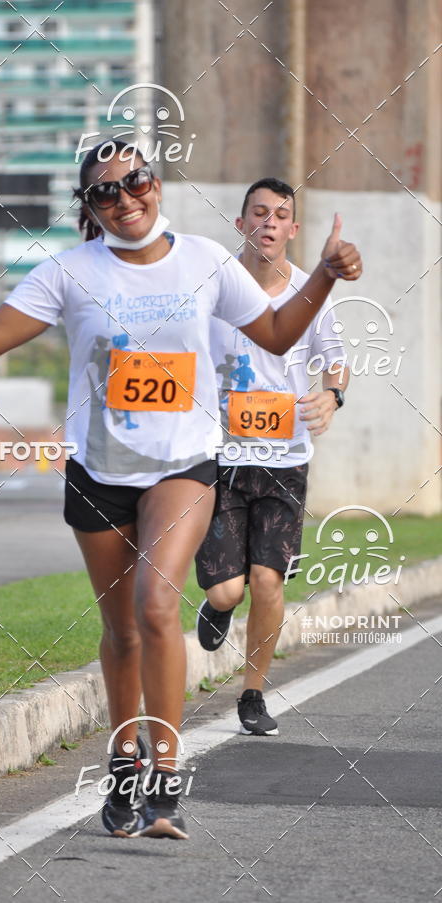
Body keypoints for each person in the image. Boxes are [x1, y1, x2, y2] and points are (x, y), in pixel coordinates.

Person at [0, 141, 361, 840]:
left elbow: (279, 332)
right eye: (105, 191)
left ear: (155, 184)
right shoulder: (69, 272)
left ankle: (165, 778)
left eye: (135, 180)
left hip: (183, 465)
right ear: (89, 207)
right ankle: (123, 760)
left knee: (156, 605)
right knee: (122, 630)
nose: (125, 197)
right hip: (99, 472)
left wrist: (323, 273)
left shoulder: (205, 261)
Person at [195, 178, 350, 736]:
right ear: (241, 224)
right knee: (227, 589)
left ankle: (253, 694)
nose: (268, 222)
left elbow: (337, 360)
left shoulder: (311, 292)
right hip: (219, 457)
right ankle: (217, 606)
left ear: (292, 229)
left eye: (280, 215)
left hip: (285, 460)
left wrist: (333, 396)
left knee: (267, 581)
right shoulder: (212, 289)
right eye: (258, 213)